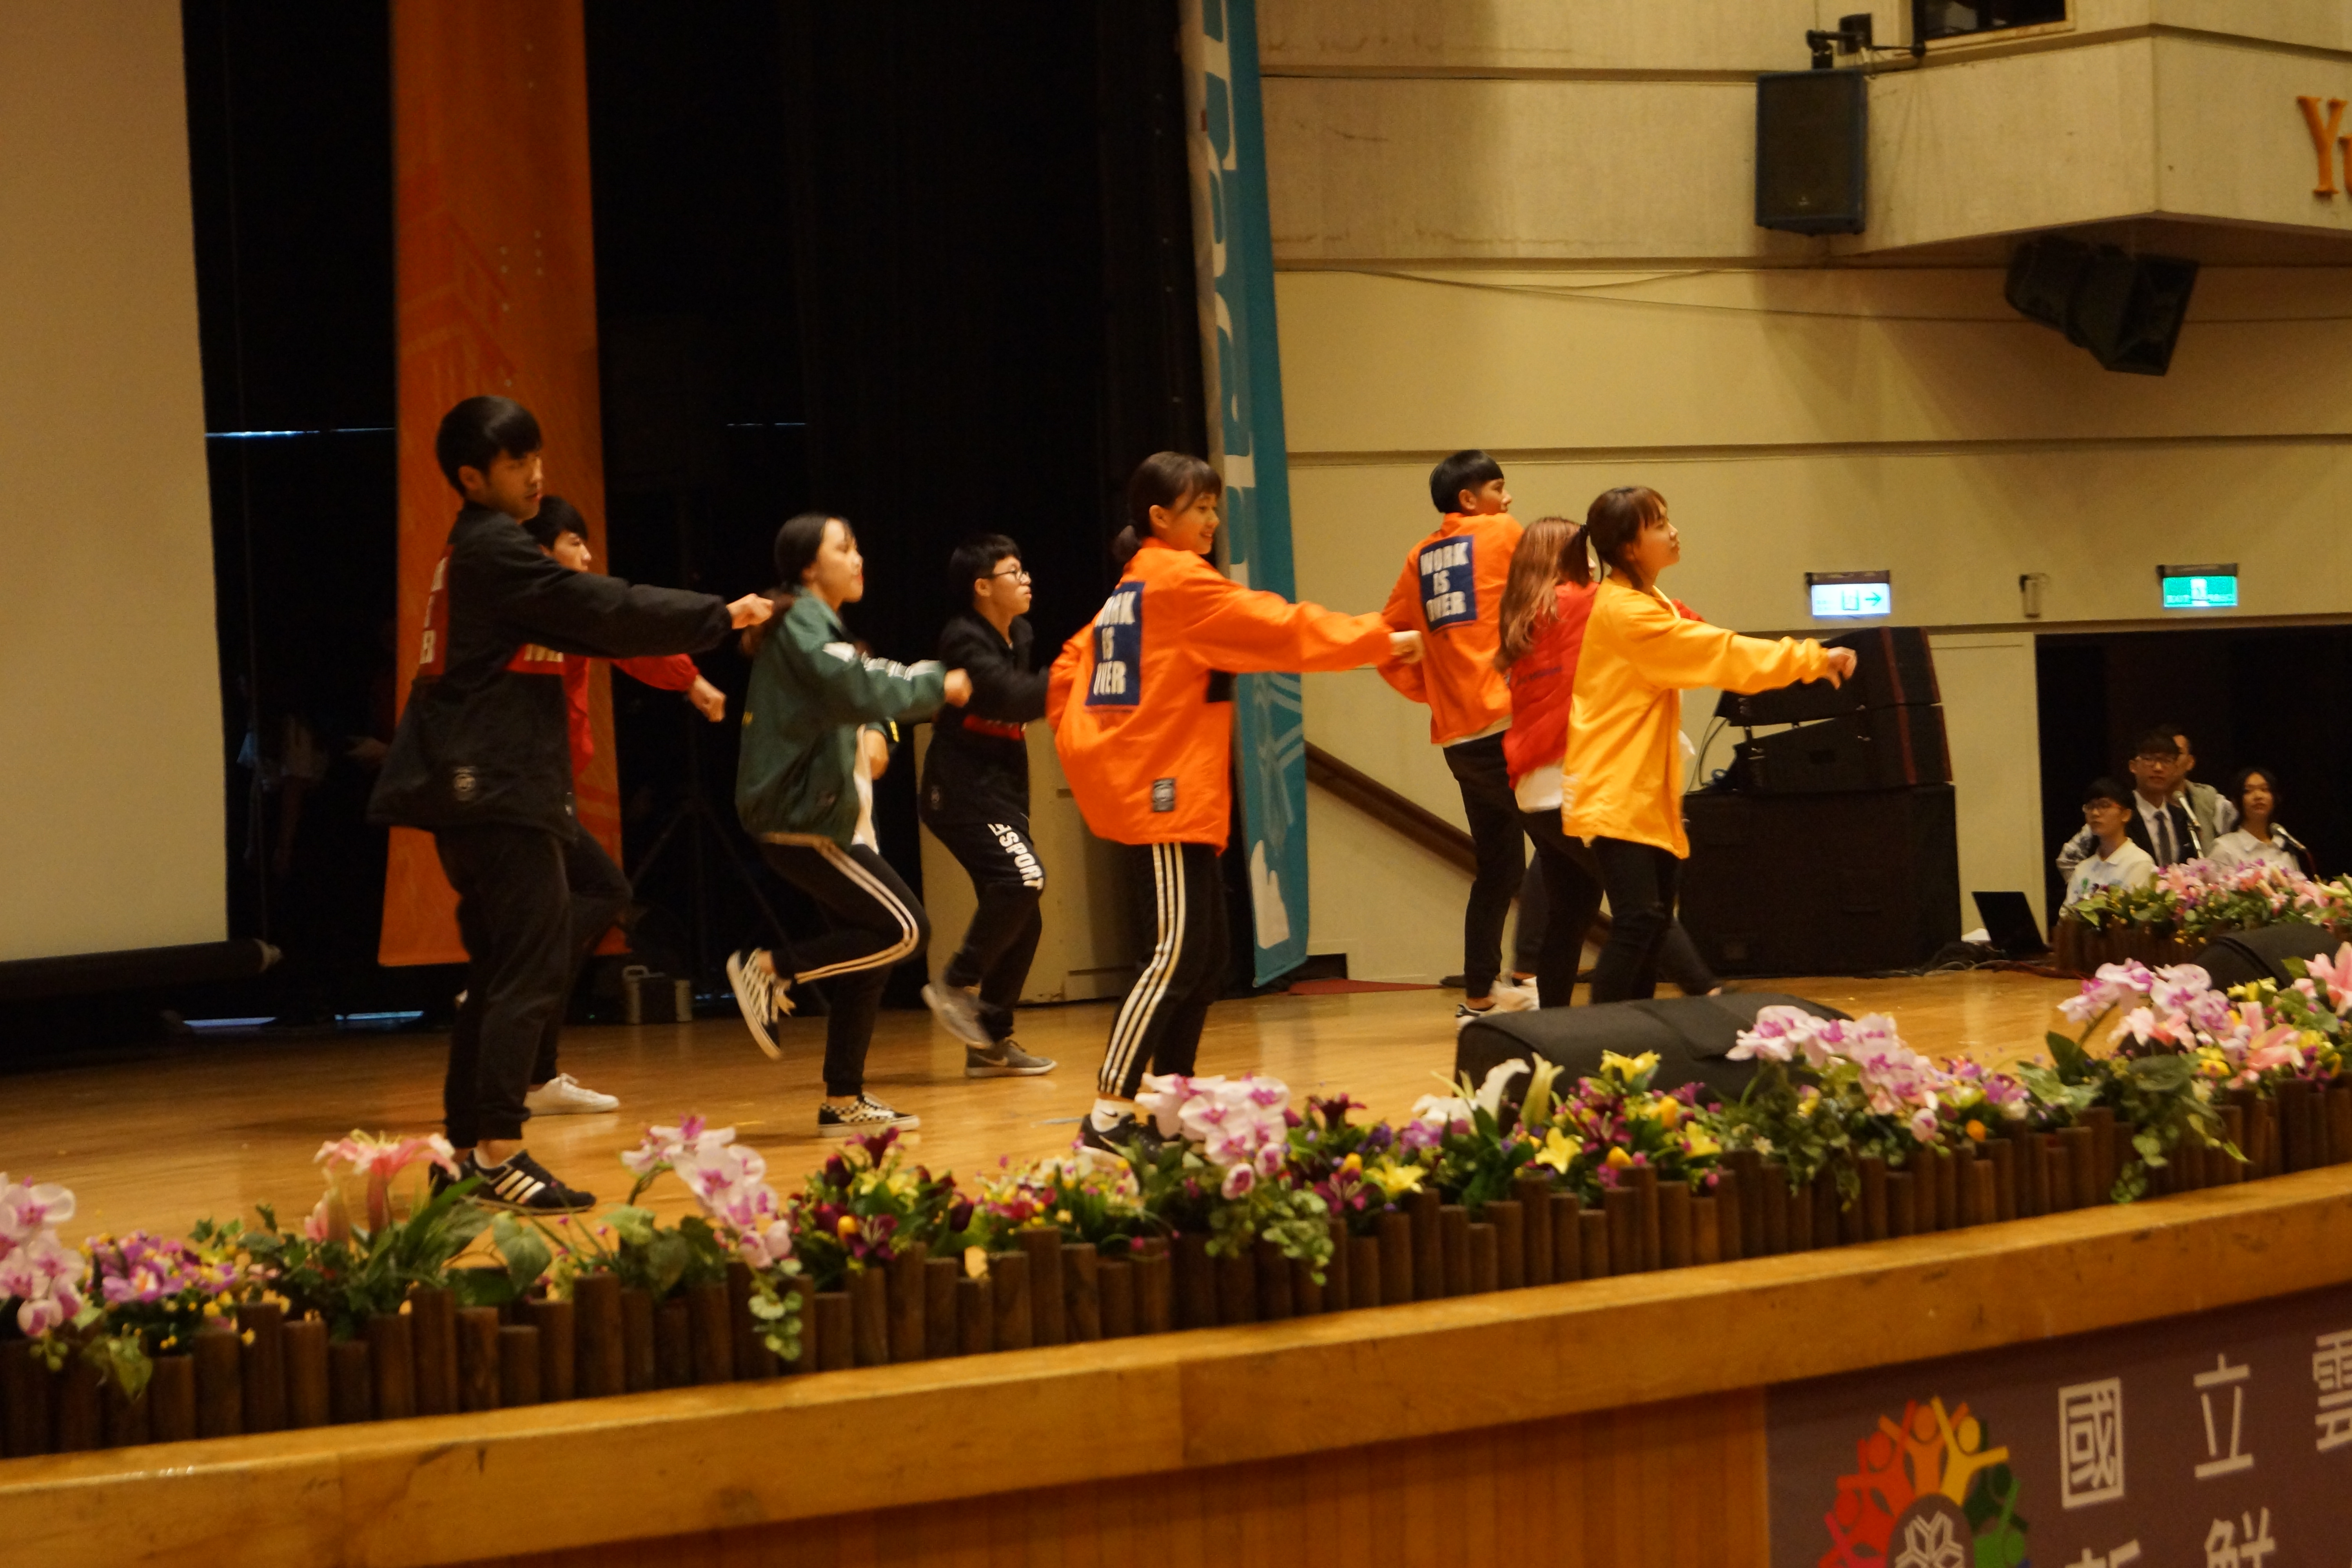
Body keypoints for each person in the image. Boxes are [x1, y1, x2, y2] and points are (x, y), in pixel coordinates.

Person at [370, 396, 764, 1212]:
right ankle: (500, 1148)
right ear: (472, 478)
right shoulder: (494, 551)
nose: (536, 475)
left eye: (536, 458)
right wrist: (719, 615)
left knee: (504, 968)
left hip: (486, 788)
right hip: (496, 788)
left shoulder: (484, 550)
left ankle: (466, 1151)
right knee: (530, 962)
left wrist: (695, 649)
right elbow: (603, 607)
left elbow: (601, 626)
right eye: (517, 463)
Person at [1050, 452, 1423, 1155]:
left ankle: (1170, 1106)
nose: (1213, 521)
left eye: (1214, 507)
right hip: (1162, 788)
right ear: (1159, 517)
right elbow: (1281, 628)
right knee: (1174, 956)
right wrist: (1380, 639)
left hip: (1167, 783)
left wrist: (1093, 743)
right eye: (1200, 509)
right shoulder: (1176, 580)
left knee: (1204, 957)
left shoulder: (1136, 585)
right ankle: (1107, 1115)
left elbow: (1068, 670)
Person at [723, 512, 974, 1135]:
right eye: (844, 548)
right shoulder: (801, 623)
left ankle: (844, 1097)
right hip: (803, 820)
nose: (858, 558)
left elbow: (852, 688)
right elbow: (852, 682)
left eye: (858, 547)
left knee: (870, 953)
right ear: (810, 567)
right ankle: (769, 969)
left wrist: (879, 726)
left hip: (834, 818)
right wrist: (938, 683)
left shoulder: (818, 627)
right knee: (906, 929)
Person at [1561, 486, 1852, 1003]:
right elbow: (1720, 653)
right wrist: (1810, 659)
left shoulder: (1647, 601)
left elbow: (1715, 649)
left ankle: (1634, 1036)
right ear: (1628, 548)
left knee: (1651, 923)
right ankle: (1599, 1034)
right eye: (1658, 525)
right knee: (1639, 919)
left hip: (1640, 789)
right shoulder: (1629, 613)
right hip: (1616, 787)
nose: (1673, 532)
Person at [513, 497, 729, 1116]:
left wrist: (689, 680)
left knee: (572, 910)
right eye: (575, 543)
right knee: (598, 892)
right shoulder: (531, 603)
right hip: (522, 783)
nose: (587, 556)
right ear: (542, 551)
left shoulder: (566, 607)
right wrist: (692, 674)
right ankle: (512, 992)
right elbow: (628, 628)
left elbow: (628, 642)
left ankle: (537, 1074)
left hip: (545, 781)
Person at [1379, 449, 1541, 1022]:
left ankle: (1480, 994)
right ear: (1469, 499)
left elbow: (1387, 640)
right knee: (1566, 848)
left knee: (1498, 868)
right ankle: (1530, 975)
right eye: (1499, 487)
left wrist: (1439, 692)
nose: (1509, 498)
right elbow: (1560, 600)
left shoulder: (1419, 556)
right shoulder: (1503, 531)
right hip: (1511, 721)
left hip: (1459, 738)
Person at [918, 534, 1058, 1078]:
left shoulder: (1019, 633)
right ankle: (955, 983)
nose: (1026, 580)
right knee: (1023, 880)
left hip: (1001, 788)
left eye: (1025, 570)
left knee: (1024, 919)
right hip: (960, 790)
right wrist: (1076, 678)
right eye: (1013, 572)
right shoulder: (963, 639)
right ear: (982, 587)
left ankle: (989, 1045)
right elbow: (1011, 697)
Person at [1490, 515, 1605, 1014]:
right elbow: (1680, 627)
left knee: (1571, 914)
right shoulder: (1584, 602)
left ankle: (1554, 1022)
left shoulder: (1522, 615)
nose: (1594, 560)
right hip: (1573, 782)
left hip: (1534, 787)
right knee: (1643, 906)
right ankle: (1706, 988)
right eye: (1585, 551)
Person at [2062, 777, 2158, 906]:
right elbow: (2067, 914)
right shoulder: (2083, 868)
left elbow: (2131, 913)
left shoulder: (2139, 863)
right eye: (2090, 807)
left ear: (2126, 815)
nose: (2095, 813)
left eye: (2104, 806)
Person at [2208, 766, 2310, 875]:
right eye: (2248, 791)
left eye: (2265, 790)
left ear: (2275, 798)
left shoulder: (2285, 847)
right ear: (2235, 802)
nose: (2258, 796)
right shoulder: (2225, 848)